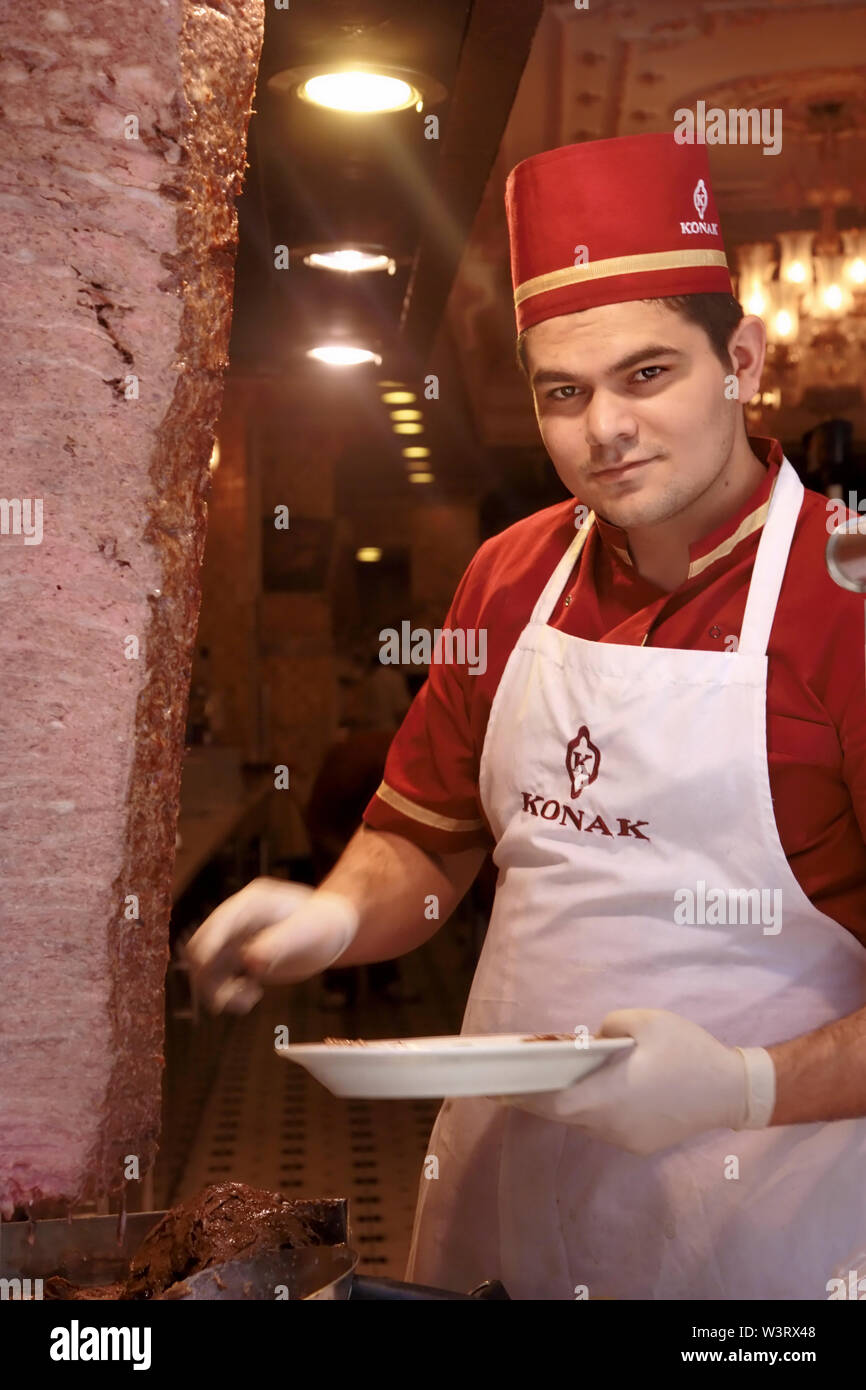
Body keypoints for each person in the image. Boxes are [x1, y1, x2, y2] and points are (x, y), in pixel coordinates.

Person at [186, 132, 866, 1300]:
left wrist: (738, 1085)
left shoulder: (842, 595)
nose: (601, 429)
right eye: (563, 391)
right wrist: (335, 917)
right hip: (507, 1193)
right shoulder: (509, 575)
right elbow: (427, 836)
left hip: (768, 1225)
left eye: (646, 374)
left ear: (741, 358)